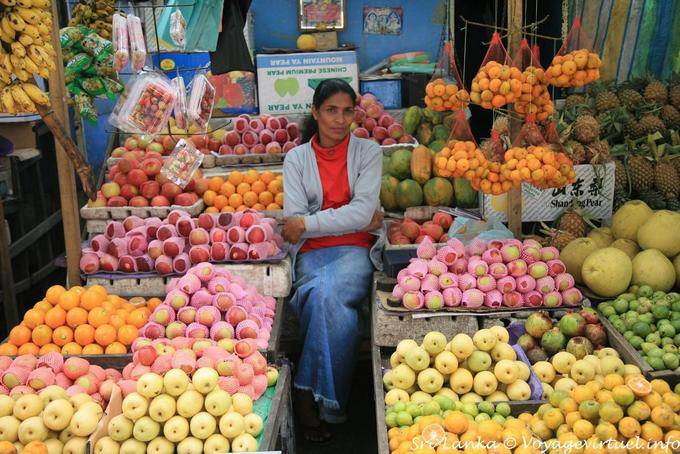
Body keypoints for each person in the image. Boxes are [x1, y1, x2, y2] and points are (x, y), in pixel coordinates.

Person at [282, 79, 384, 442]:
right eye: (331, 110)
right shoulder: (296, 159)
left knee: (323, 296)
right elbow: (294, 218)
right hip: (311, 254)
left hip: (357, 251)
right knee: (321, 296)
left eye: (347, 111)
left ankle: (306, 391)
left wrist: (310, 221)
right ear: (315, 111)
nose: (340, 120)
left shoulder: (369, 152)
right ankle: (328, 401)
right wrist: (348, 215)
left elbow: (359, 215)